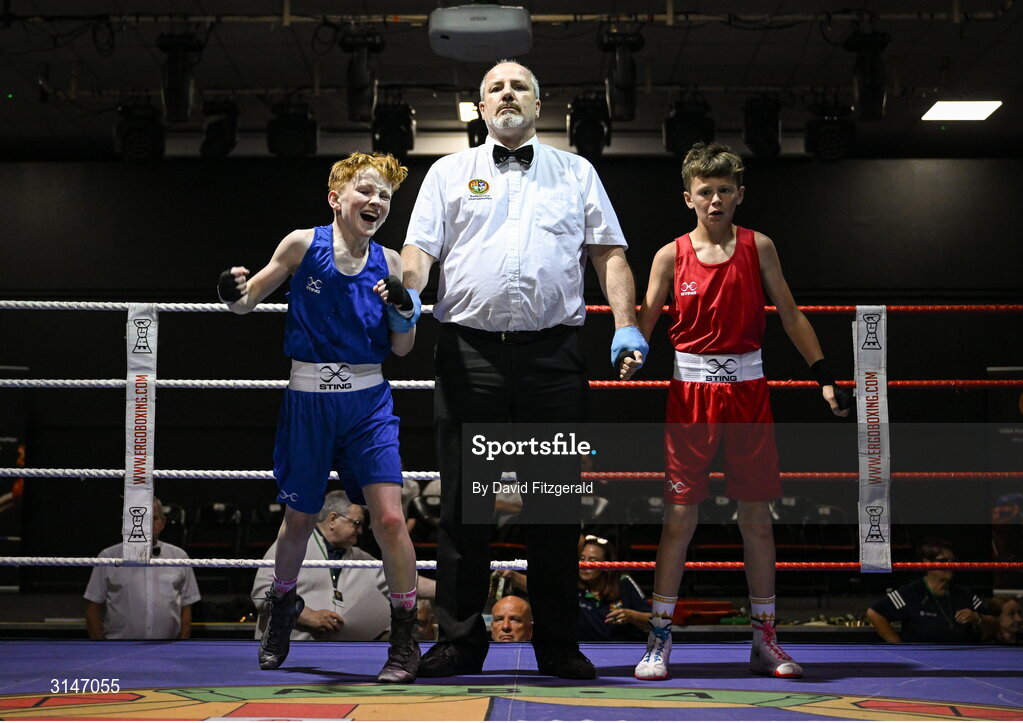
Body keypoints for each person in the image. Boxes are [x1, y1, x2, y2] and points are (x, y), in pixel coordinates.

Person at [401, 59, 648, 680]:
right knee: (464, 505)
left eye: (520, 88)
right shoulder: (447, 172)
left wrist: (625, 323)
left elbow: (609, 253)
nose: (507, 95)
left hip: (553, 356)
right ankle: (459, 640)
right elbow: (419, 251)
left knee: (554, 504)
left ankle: (559, 643)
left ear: (541, 106)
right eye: (495, 89)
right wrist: (405, 295)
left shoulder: (577, 171)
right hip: (469, 354)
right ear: (480, 108)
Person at [620, 142, 851, 681]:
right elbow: (647, 317)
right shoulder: (669, 254)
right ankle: (658, 639)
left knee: (757, 521)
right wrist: (633, 351)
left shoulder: (759, 246)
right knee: (679, 517)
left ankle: (765, 640)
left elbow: (791, 315)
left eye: (725, 190)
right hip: (690, 397)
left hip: (749, 393)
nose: (716, 199)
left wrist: (822, 375)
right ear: (689, 197)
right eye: (706, 191)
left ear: (740, 194)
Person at [219, 151, 424, 683]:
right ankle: (282, 607)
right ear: (336, 198)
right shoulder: (301, 244)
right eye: (366, 190)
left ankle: (405, 637)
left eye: (384, 195)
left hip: (368, 400)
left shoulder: (393, 263)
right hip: (308, 400)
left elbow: (403, 348)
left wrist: (405, 307)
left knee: (392, 518)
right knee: (299, 521)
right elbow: (248, 300)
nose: (375, 201)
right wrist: (232, 292)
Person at [251, 490, 436, 643]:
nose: (361, 531)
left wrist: (447, 587)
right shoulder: (294, 545)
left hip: (338, 654)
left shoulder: (358, 558)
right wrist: (307, 615)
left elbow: (405, 580)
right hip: (292, 647)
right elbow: (262, 592)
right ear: (332, 519)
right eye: (356, 523)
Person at [84, 498, 200, 639]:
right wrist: (102, 650)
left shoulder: (179, 556)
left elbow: (186, 608)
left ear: (162, 523)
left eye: (153, 518)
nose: (147, 524)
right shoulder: (108, 556)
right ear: (128, 521)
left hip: (167, 650)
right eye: (141, 517)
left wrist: (180, 647)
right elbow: (92, 609)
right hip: (117, 649)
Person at [502, 535, 651, 641]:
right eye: (582, 559)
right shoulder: (572, 582)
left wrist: (631, 615)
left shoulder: (623, 582)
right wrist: (512, 575)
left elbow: (654, 621)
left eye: (593, 561)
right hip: (586, 650)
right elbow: (541, 587)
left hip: (625, 648)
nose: (585, 565)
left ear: (606, 565)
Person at [866, 538, 988, 644]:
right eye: (943, 561)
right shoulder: (911, 592)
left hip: (960, 659)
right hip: (921, 659)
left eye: (953, 561)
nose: (950, 565)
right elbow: (874, 613)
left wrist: (976, 618)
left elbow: (994, 623)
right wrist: (899, 647)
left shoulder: (964, 594)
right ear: (927, 563)